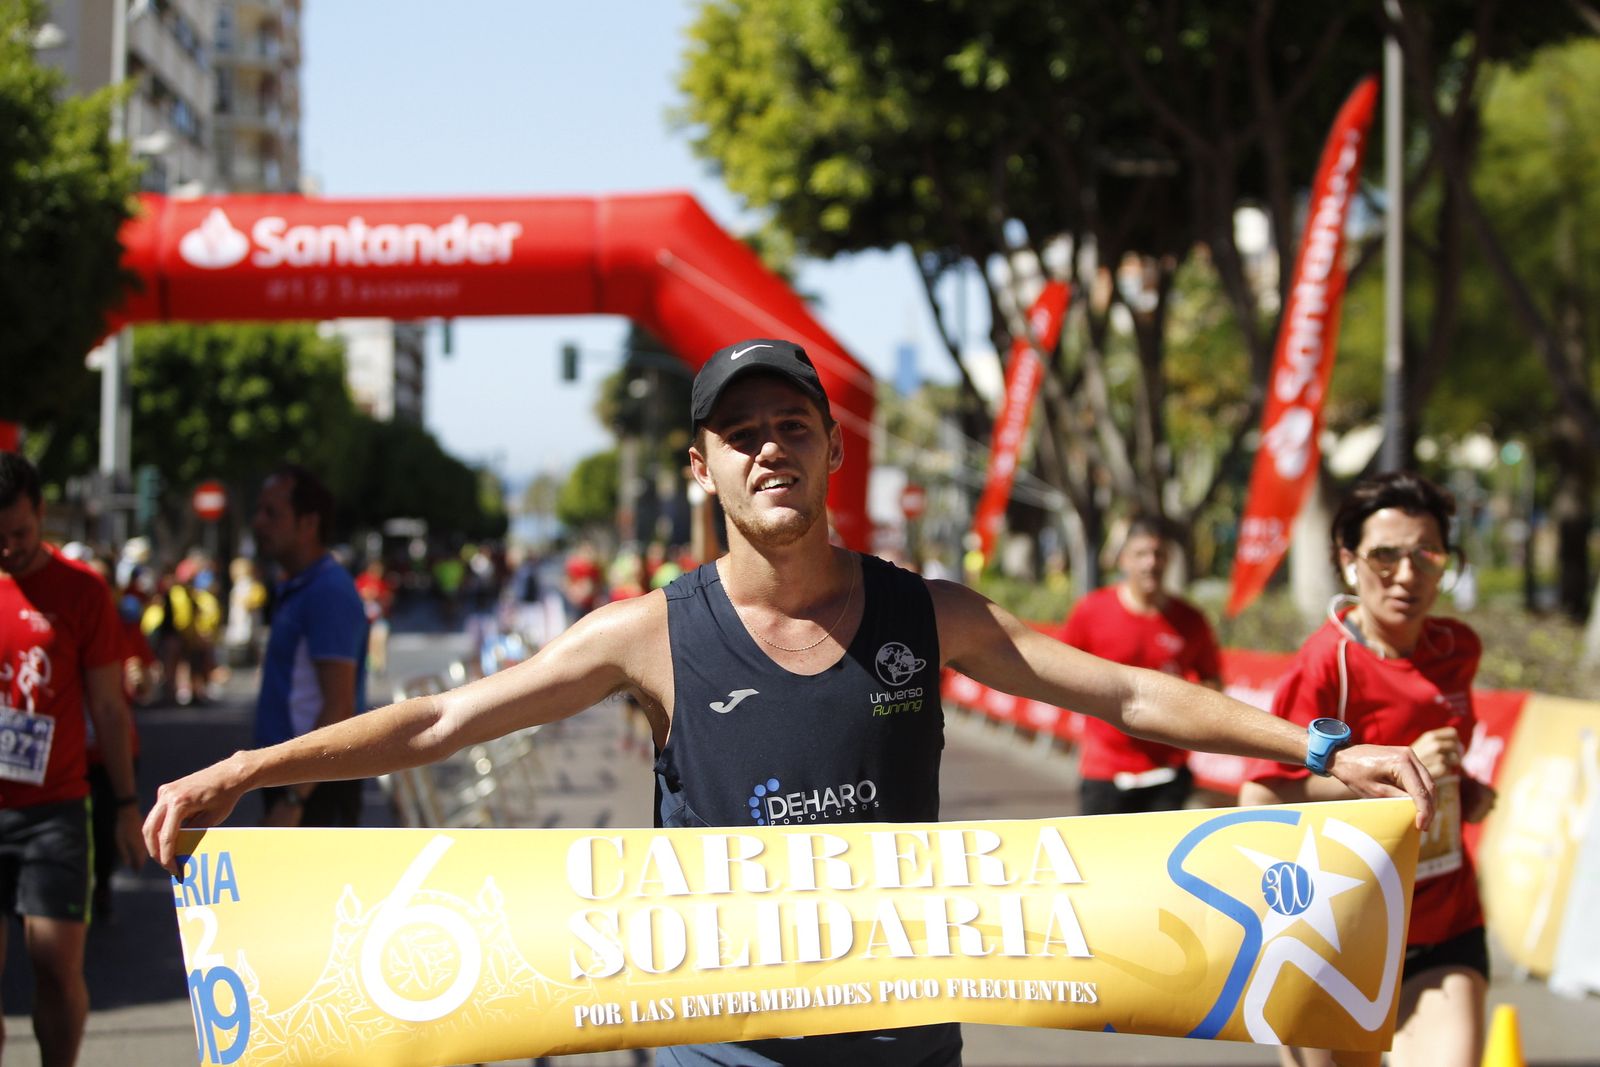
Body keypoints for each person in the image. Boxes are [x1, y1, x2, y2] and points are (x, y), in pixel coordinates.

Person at [145, 341, 1434, 1067]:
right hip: (721, 1050)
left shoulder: (924, 612)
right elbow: (434, 723)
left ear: (829, 448)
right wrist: (243, 769)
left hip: (904, 1049)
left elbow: (1134, 690)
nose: (772, 445)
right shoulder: (647, 632)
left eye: (795, 423)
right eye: (741, 429)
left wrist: (1325, 745)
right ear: (699, 465)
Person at [1239, 471, 1492, 1067]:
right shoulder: (1327, 663)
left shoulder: (1458, 648)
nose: (1408, 576)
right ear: (1349, 561)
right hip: (1336, 928)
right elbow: (1261, 795)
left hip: (1439, 915)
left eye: (1427, 555)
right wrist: (1385, 784)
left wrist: (1469, 792)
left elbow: (1450, 773)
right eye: (1386, 556)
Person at [0, 453, 144, 1066]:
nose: (8, 549)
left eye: (19, 535)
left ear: (40, 515)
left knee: (56, 968)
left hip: (55, 808)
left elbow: (109, 709)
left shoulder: (82, 592)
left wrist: (127, 804)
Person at [1058, 515, 1223, 815]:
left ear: (1168, 560)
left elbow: (1212, 681)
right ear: (1124, 560)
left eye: (1158, 554)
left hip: (1169, 772)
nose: (1151, 563)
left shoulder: (1191, 621)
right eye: (1141, 554)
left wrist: (1188, 712)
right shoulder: (1091, 611)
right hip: (1105, 771)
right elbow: (1059, 667)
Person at [250, 465, 369, 828]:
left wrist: (293, 797)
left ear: (308, 524)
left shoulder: (327, 591)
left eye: (273, 513)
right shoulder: (301, 585)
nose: (258, 523)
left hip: (314, 786)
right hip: (297, 776)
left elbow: (339, 704)